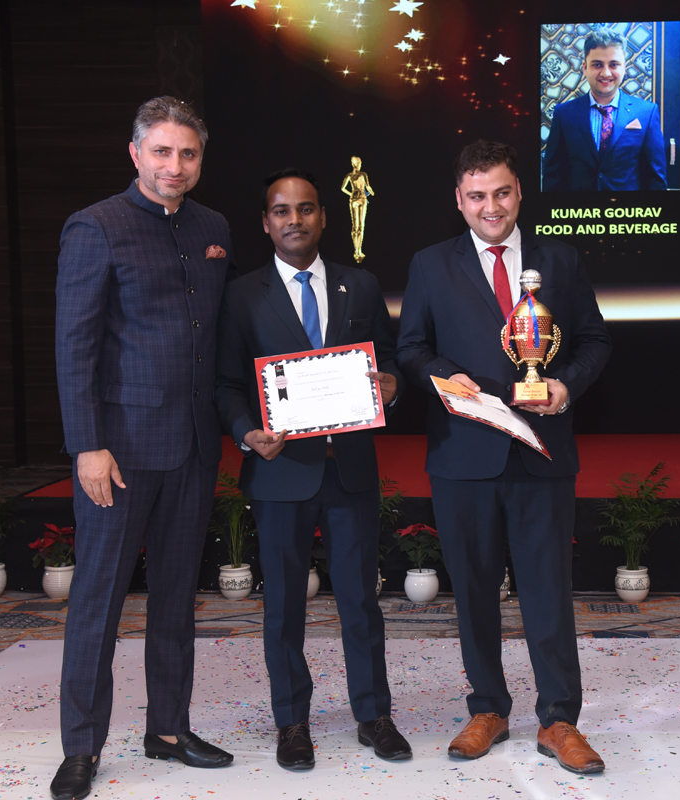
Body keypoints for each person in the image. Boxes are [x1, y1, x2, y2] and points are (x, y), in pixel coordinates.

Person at [397, 140, 612, 774]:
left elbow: (595, 340)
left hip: (543, 453)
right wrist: (442, 375)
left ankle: (559, 719)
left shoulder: (560, 259)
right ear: (459, 200)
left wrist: (566, 385)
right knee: (473, 591)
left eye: (501, 193)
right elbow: (410, 347)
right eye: (476, 196)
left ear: (519, 192)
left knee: (548, 590)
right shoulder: (430, 264)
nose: (490, 207)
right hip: (463, 455)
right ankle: (487, 708)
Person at [53, 96, 234, 800]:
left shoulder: (213, 227)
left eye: (187, 153)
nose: (174, 165)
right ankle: (81, 746)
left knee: (175, 601)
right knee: (97, 601)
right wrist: (87, 446)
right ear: (135, 153)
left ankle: (168, 729)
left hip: (193, 447)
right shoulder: (95, 226)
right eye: (161, 151)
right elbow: (75, 347)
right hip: (119, 456)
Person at [214, 168, 411, 770]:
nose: (293, 219)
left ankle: (373, 715)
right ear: (266, 222)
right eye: (281, 210)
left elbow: (389, 363)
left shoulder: (361, 285)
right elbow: (226, 384)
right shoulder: (241, 295)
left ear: (325, 217)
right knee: (284, 609)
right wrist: (246, 432)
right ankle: (291, 722)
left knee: (360, 600)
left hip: (349, 470)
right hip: (279, 473)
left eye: (305, 209)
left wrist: (391, 386)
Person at [542, 30, 667, 192]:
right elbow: (553, 177)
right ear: (585, 68)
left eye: (613, 65)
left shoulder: (646, 113)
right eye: (597, 65)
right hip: (579, 208)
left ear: (624, 68)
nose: (606, 73)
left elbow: (655, 180)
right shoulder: (564, 114)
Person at [340, 155, 375, 263]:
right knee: (360, 226)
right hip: (361, 199)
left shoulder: (350, 176)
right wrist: (372, 193)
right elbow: (367, 187)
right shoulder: (362, 174)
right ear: (357, 164)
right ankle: (358, 251)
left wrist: (351, 194)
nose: (360, 165)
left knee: (356, 226)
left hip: (354, 200)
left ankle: (357, 250)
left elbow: (343, 188)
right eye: (359, 164)